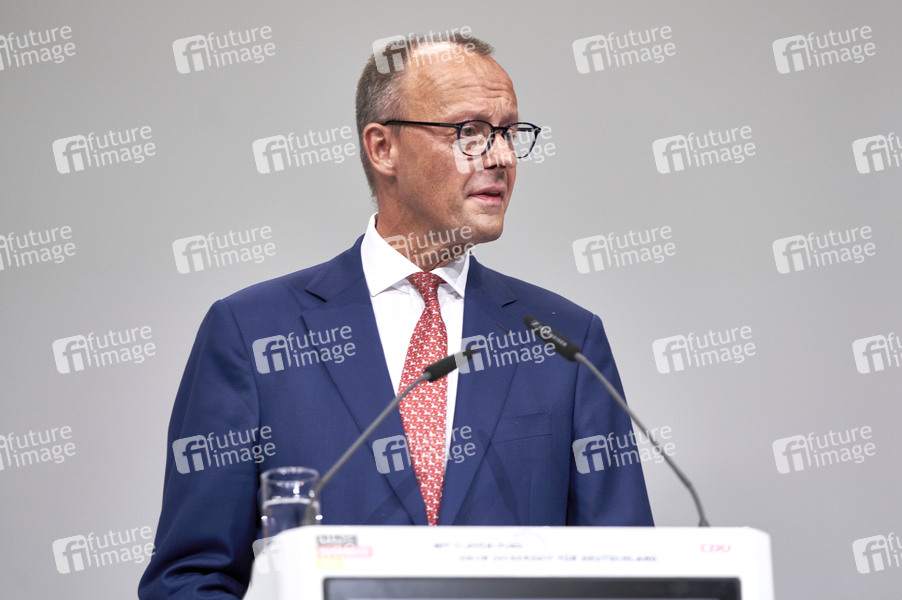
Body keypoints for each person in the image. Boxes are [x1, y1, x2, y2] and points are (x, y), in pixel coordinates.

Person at [139, 33, 653, 600]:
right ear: (383, 148)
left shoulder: (565, 341)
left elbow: (627, 575)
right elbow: (189, 578)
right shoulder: (253, 334)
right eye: (470, 132)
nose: (501, 157)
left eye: (509, 132)